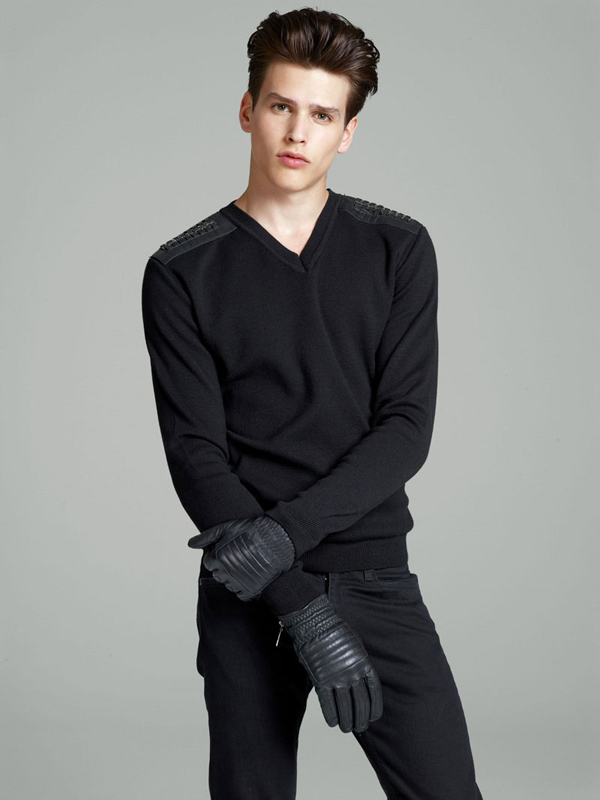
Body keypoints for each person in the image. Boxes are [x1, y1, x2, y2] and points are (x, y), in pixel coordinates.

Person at [141, 7, 485, 799]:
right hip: (248, 596)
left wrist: (286, 537)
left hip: (373, 580)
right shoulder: (182, 271)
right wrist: (296, 602)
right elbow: (195, 455)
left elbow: (405, 429)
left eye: (323, 115)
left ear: (347, 132)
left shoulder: (398, 248)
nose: (298, 132)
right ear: (247, 110)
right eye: (281, 106)